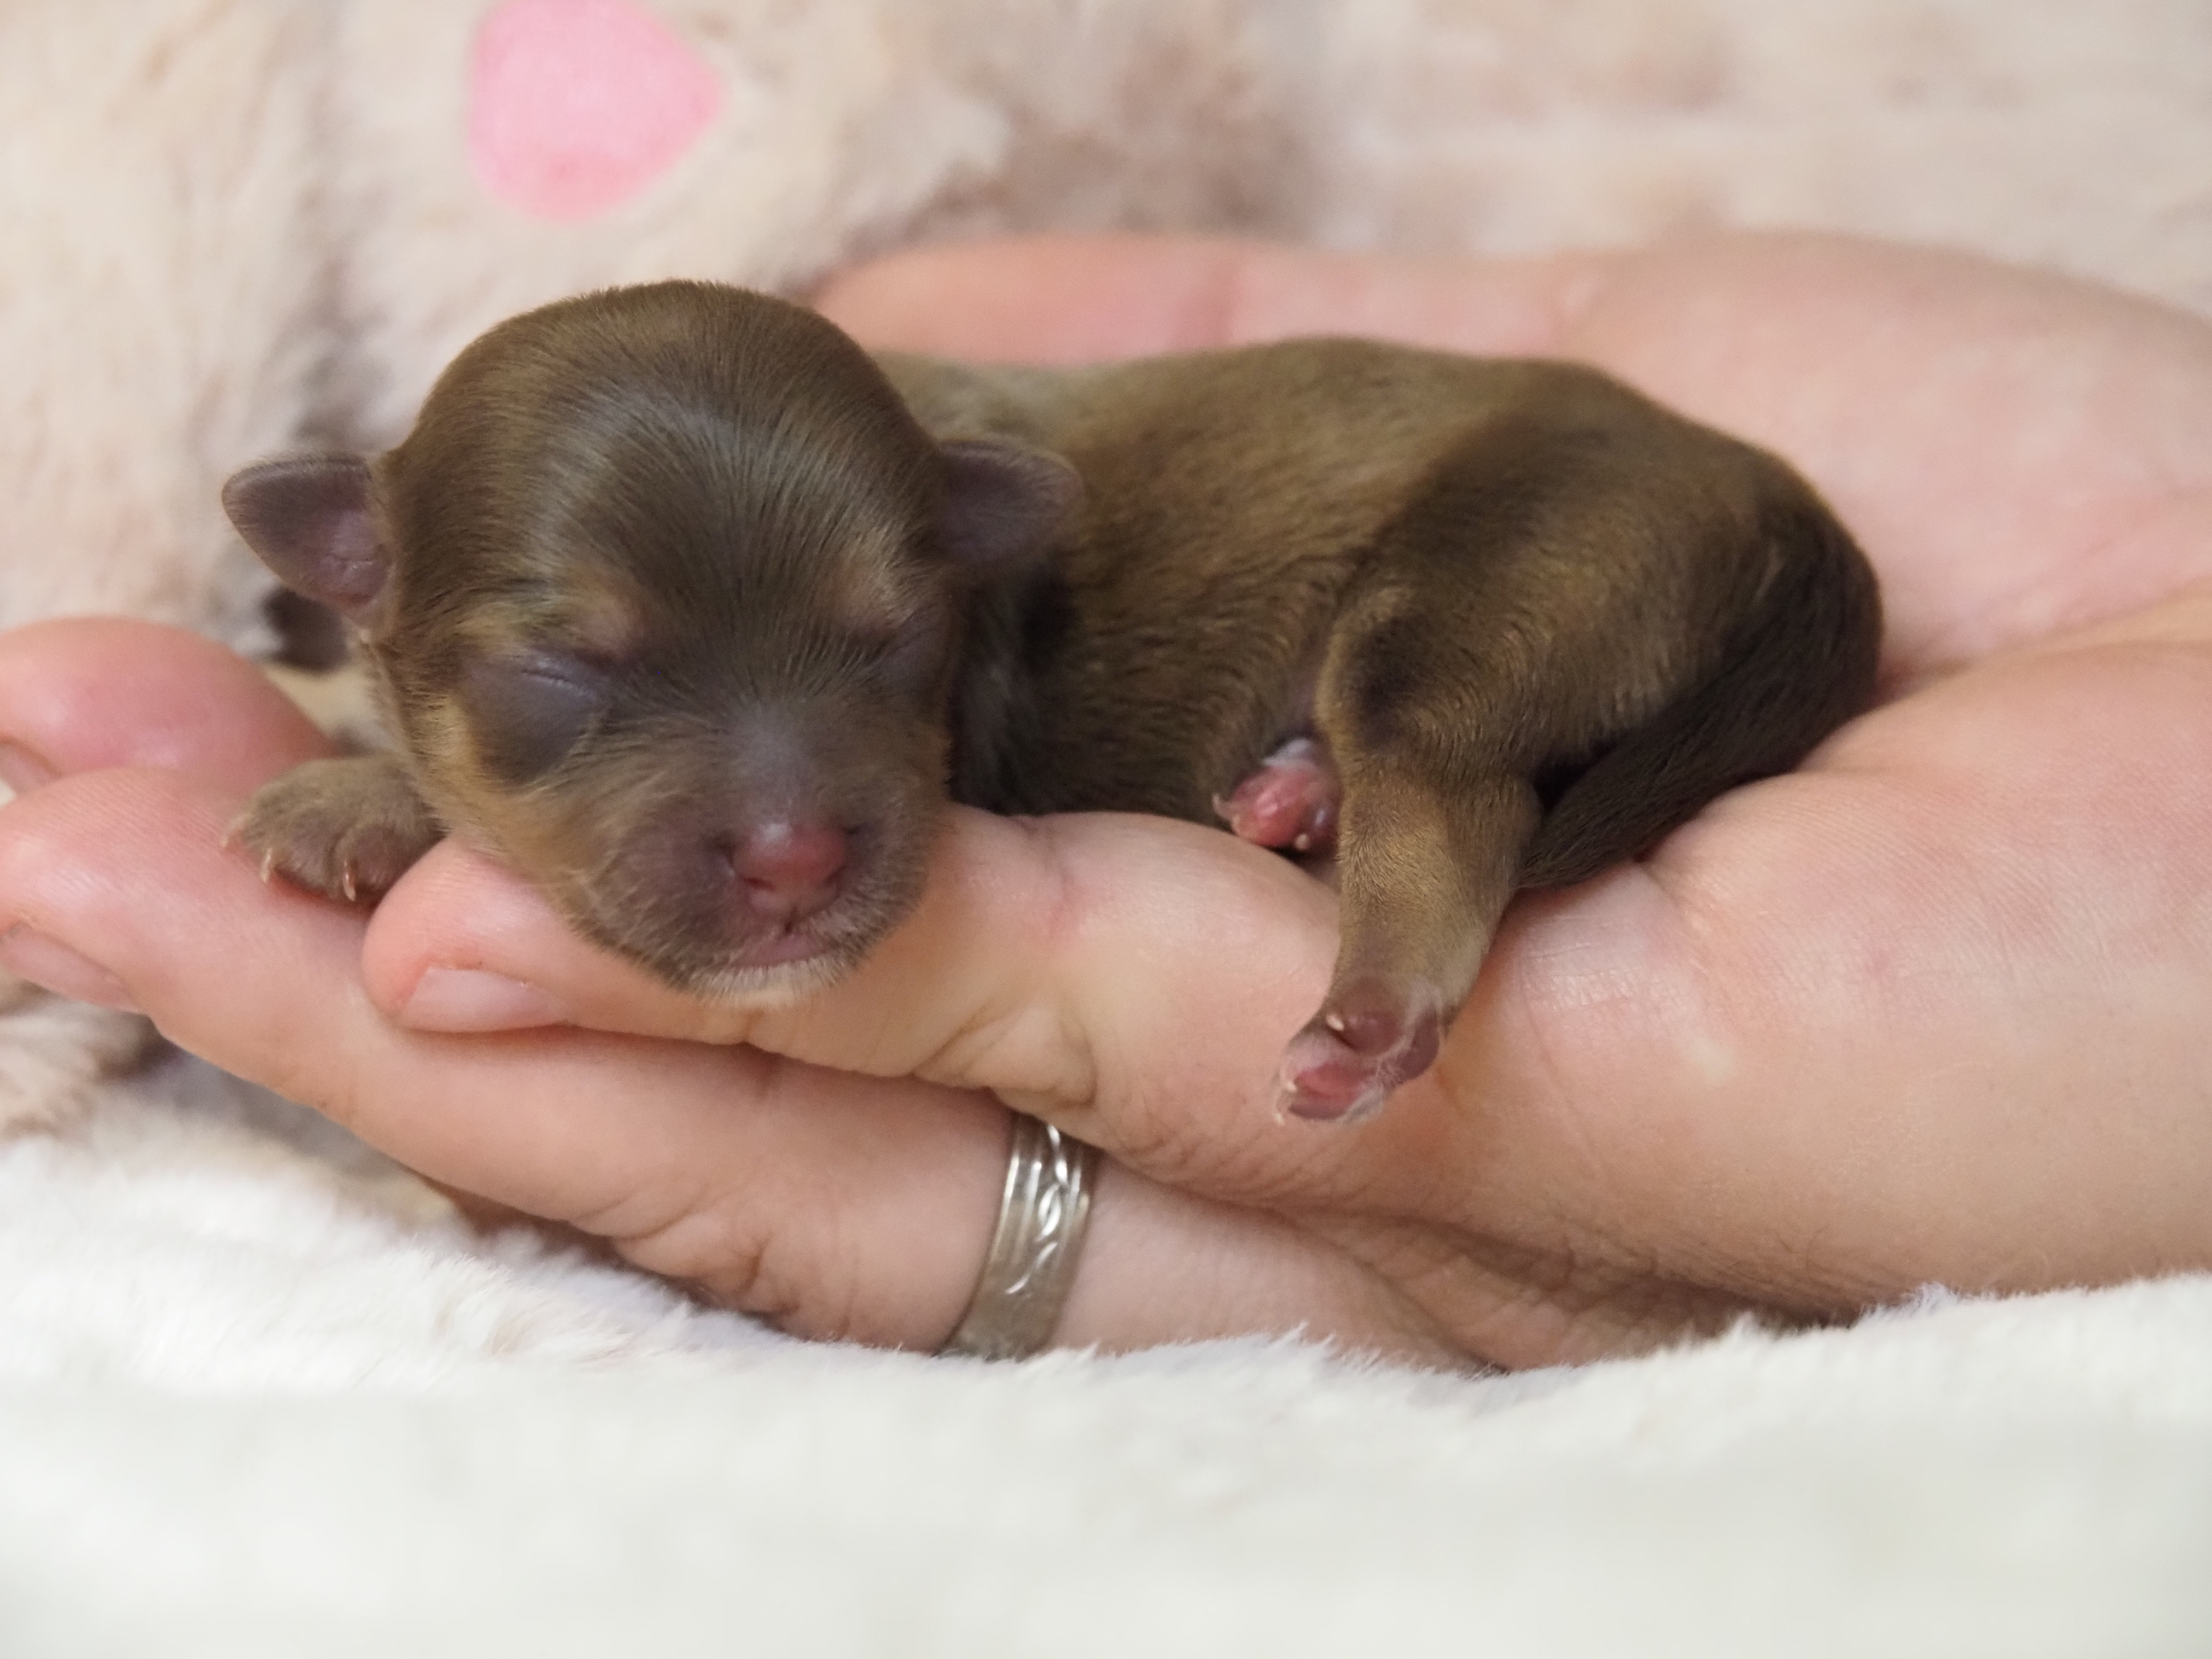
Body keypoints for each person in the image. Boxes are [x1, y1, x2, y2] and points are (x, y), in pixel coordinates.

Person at [1, 231, 2209, 1371]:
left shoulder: (977, 516)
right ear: (356, 591)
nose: (785, 824)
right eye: (577, 683)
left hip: (1546, 511)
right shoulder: (450, 606)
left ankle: (1415, 913)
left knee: (1433, 701)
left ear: (966, 553)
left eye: (882, 658)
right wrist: (385, 800)